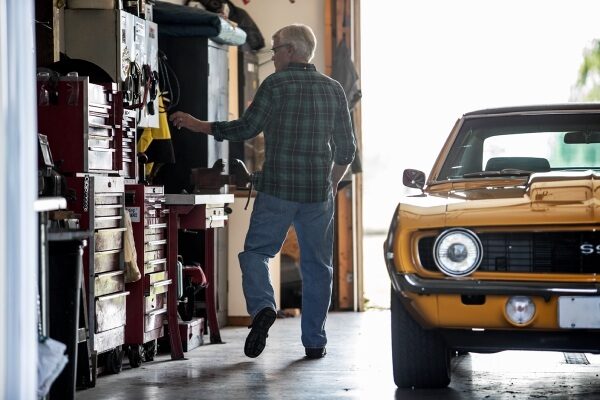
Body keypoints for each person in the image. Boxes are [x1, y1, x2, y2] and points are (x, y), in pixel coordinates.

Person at [169, 23, 356, 360]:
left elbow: (246, 128)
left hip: (278, 191)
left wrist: (199, 125)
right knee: (317, 268)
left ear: (292, 51)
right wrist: (330, 182)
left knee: (255, 254)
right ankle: (314, 342)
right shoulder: (334, 89)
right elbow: (347, 150)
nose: (273, 54)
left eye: (275, 47)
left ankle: (263, 308)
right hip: (317, 194)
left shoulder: (276, 85)